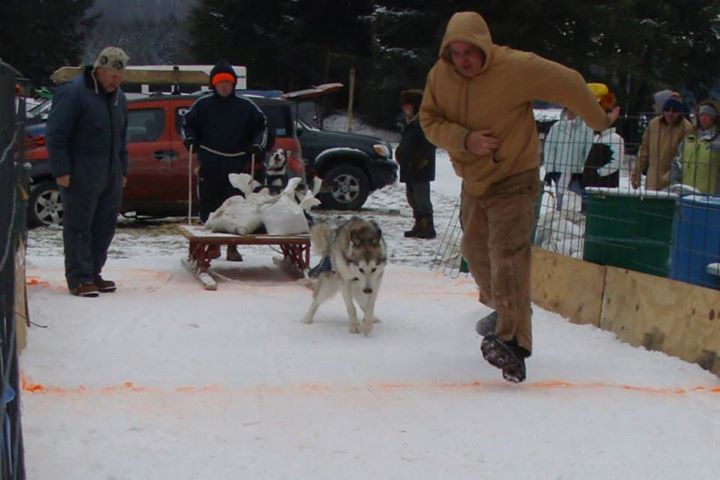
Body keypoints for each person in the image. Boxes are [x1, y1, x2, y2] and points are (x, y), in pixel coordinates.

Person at [420, 11, 619, 382]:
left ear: (483, 44)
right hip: (474, 179)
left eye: (469, 51)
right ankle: (503, 309)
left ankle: (513, 342)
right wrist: (465, 139)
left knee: (507, 255)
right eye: (455, 53)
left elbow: (571, 83)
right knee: (475, 251)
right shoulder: (439, 77)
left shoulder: (516, 67)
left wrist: (599, 121)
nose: (463, 60)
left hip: (515, 175)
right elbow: (429, 121)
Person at [46, 47, 130, 297]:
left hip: (111, 172)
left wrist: (122, 170)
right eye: (112, 76)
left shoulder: (119, 98)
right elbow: (56, 134)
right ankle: (79, 278)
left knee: (105, 226)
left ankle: (94, 272)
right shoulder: (74, 93)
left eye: (120, 77)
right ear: (99, 70)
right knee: (79, 225)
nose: (116, 81)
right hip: (81, 170)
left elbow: (123, 138)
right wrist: (61, 169)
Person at [182, 60, 268, 260]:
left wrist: (257, 144)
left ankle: (232, 246)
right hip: (210, 163)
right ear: (213, 84)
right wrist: (190, 140)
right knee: (209, 205)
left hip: (237, 165)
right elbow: (187, 123)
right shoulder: (202, 104)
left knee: (236, 205)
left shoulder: (246, 106)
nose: (224, 86)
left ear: (234, 84)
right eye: (220, 82)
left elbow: (261, 126)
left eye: (228, 82)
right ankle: (212, 246)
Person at [395, 89, 437, 238]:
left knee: (421, 198)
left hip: (420, 168)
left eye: (408, 105)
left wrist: (421, 160)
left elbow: (430, 143)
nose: (405, 109)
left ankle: (427, 227)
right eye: (404, 106)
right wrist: (400, 153)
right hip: (409, 167)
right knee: (412, 198)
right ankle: (419, 224)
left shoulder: (423, 123)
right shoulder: (408, 123)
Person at [631, 95, 692, 191]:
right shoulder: (653, 124)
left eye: (674, 110)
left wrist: (666, 179)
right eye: (667, 110)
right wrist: (636, 173)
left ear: (680, 112)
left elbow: (683, 158)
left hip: (674, 184)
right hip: (652, 180)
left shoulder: (687, 128)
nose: (670, 113)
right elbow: (644, 151)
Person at [542, 108, 593, 210]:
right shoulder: (557, 127)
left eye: (574, 109)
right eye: (569, 109)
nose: (571, 112)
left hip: (577, 174)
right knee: (561, 203)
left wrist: (586, 170)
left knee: (577, 204)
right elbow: (550, 150)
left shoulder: (586, 128)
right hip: (559, 173)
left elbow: (589, 150)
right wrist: (549, 171)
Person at [674, 99, 720, 195]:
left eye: (708, 115)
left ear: (714, 118)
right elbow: (677, 164)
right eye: (701, 115)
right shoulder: (688, 140)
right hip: (686, 196)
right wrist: (674, 181)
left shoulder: (718, 142)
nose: (704, 118)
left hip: (711, 199)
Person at [582, 89, 625, 189]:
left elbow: (616, 162)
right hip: (590, 184)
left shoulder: (615, 138)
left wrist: (599, 173)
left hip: (604, 185)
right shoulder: (596, 137)